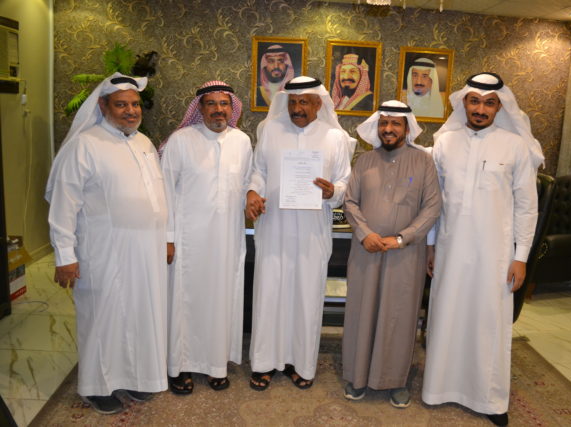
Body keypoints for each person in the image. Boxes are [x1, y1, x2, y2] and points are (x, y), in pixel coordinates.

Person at [421, 72, 543, 426]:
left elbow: (527, 207)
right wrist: (430, 246)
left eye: (489, 103)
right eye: (474, 101)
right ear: (464, 103)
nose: (480, 109)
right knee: (446, 316)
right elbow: (434, 202)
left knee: (489, 324)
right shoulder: (444, 143)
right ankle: (439, 389)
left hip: (495, 255)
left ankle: (490, 399)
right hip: (450, 248)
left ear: (499, 107)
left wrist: (520, 257)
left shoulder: (515, 146)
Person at [45, 72, 168, 414]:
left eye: (135, 104)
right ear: (103, 106)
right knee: (104, 319)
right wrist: (65, 255)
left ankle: (135, 377)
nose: (131, 111)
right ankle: (97, 387)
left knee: (139, 315)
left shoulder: (144, 143)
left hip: (145, 252)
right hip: (103, 251)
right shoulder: (85, 145)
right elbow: (63, 205)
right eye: (121, 105)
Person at [245, 76, 353, 391]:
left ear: (319, 103)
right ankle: (265, 363)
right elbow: (259, 171)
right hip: (274, 227)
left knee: (306, 295)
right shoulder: (270, 130)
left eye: (304, 102)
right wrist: (252, 192)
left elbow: (345, 182)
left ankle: (300, 364)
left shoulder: (335, 137)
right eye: (292, 102)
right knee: (270, 293)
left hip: (311, 232)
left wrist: (332, 191)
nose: (297, 108)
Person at [342, 101, 441, 408]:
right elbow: (349, 202)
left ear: (407, 128)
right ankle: (357, 377)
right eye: (384, 123)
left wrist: (402, 238)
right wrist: (365, 234)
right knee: (361, 312)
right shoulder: (365, 161)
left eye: (395, 123)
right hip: (366, 251)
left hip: (405, 255)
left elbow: (432, 207)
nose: (388, 129)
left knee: (399, 316)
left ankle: (396, 381)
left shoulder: (423, 162)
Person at [160, 81, 253, 395]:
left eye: (224, 104)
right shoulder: (181, 141)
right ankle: (180, 367)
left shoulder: (242, 141)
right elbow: (164, 191)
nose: (218, 110)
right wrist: (168, 237)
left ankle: (215, 365)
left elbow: (247, 185)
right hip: (189, 242)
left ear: (232, 107)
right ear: (199, 108)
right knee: (186, 302)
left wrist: (253, 197)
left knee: (221, 301)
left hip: (227, 241)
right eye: (211, 104)